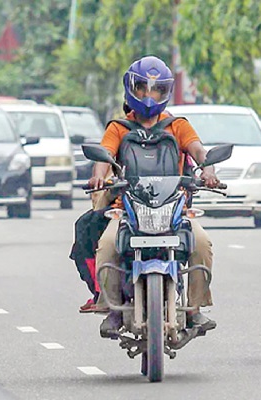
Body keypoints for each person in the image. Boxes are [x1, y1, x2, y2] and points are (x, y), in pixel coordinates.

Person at [89, 55, 220, 337]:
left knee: (202, 243)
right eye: (142, 89)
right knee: (108, 245)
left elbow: (199, 152)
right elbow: (105, 155)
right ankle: (113, 309)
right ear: (130, 89)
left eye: (157, 90)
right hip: (128, 209)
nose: (149, 96)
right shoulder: (118, 128)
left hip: (173, 208)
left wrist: (207, 170)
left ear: (166, 92)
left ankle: (195, 310)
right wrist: (100, 174)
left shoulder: (178, 126)